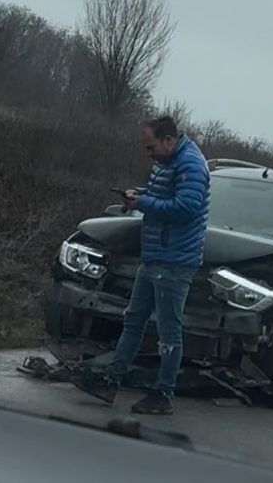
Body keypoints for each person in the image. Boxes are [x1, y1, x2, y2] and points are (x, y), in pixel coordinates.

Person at [72, 116, 210, 414]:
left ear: (169, 140)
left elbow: (186, 208)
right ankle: (110, 381)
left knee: (168, 331)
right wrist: (140, 196)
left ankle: (164, 394)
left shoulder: (190, 165)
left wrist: (143, 204)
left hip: (175, 260)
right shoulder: (170, 163)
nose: (149, 154)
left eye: (151, 147)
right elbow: (166, 198)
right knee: (133, 320)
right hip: (156, 255)